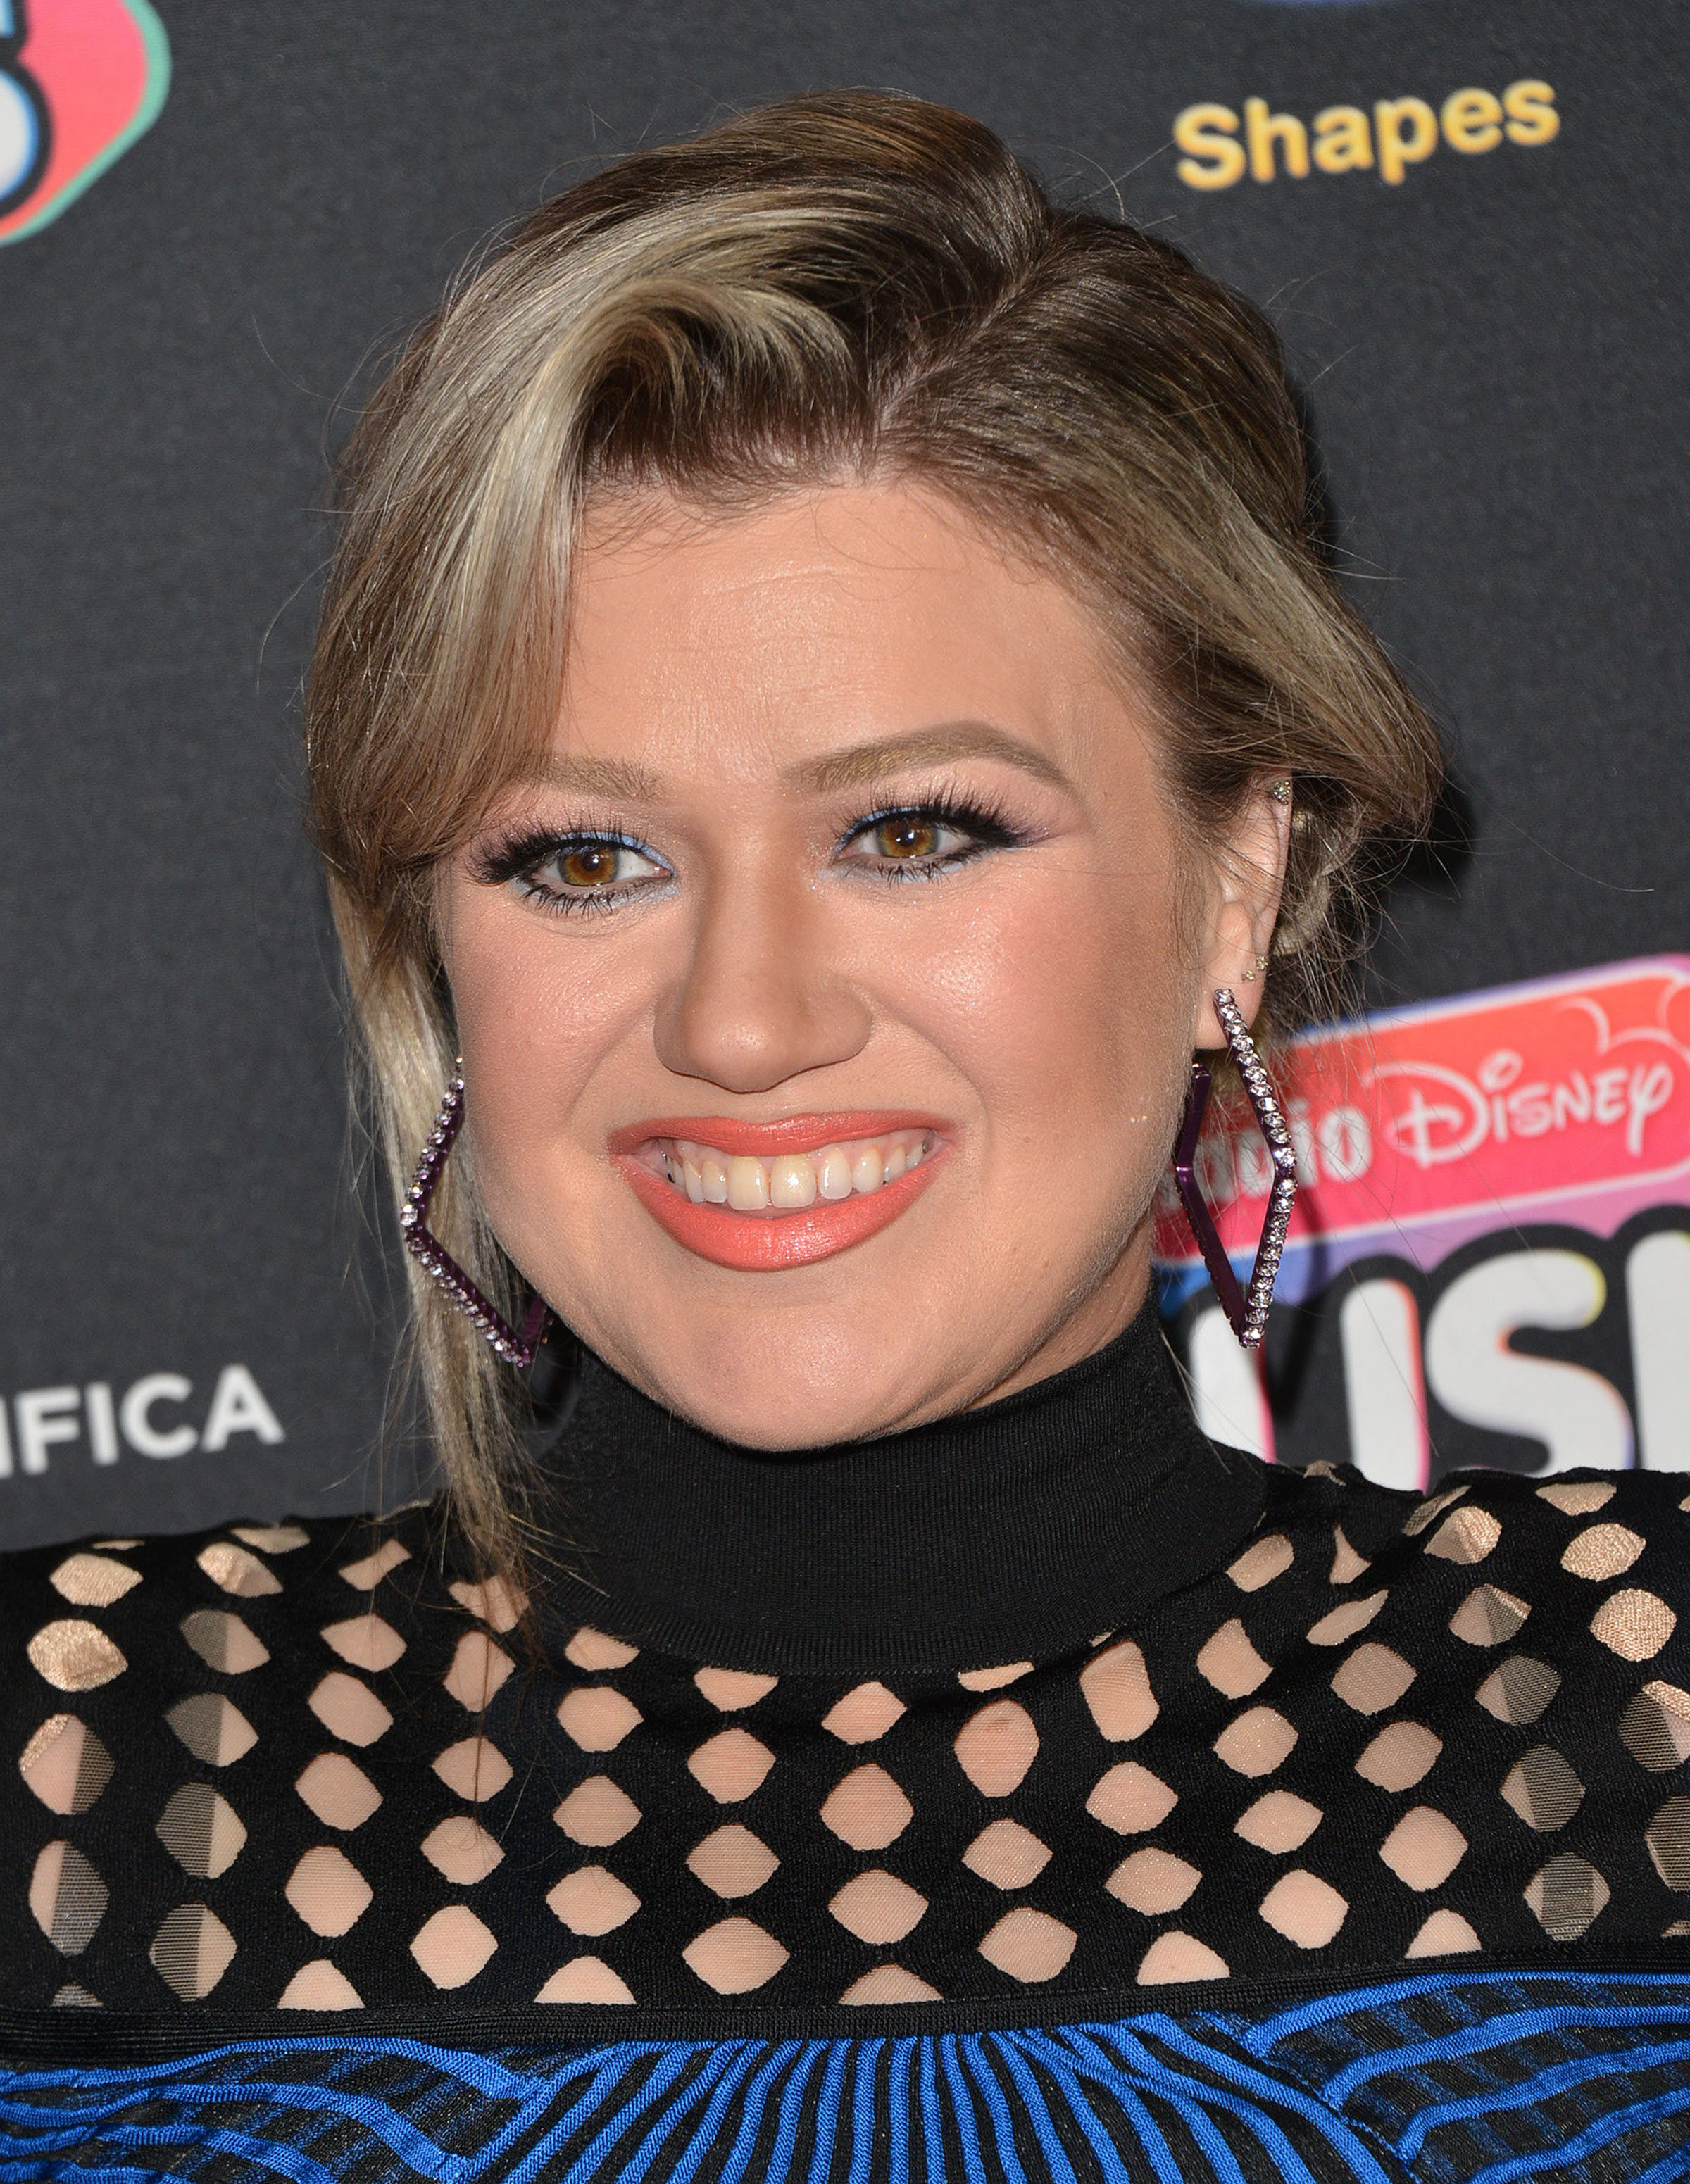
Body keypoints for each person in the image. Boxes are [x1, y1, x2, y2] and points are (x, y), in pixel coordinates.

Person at [3, 90, 1686, 2184]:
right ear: (438, 936)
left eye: (912, 833)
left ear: (1235, 887)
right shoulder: (75, 1773)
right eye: (585, 857)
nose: (743, 1022)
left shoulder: (1641, 1714)